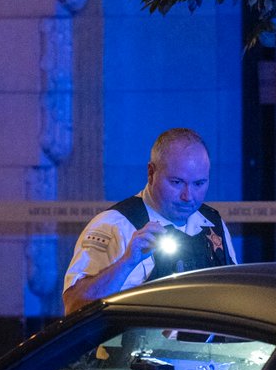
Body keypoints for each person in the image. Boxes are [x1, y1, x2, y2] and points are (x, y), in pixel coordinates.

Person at [62, 128, 237, 315]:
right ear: (151, 173)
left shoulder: (212, 222)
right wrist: (127, 261)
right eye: (177, 182)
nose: (188, 196)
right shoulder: (114, 225)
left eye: (199, 184)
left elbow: (234, 297)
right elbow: (74, 307)